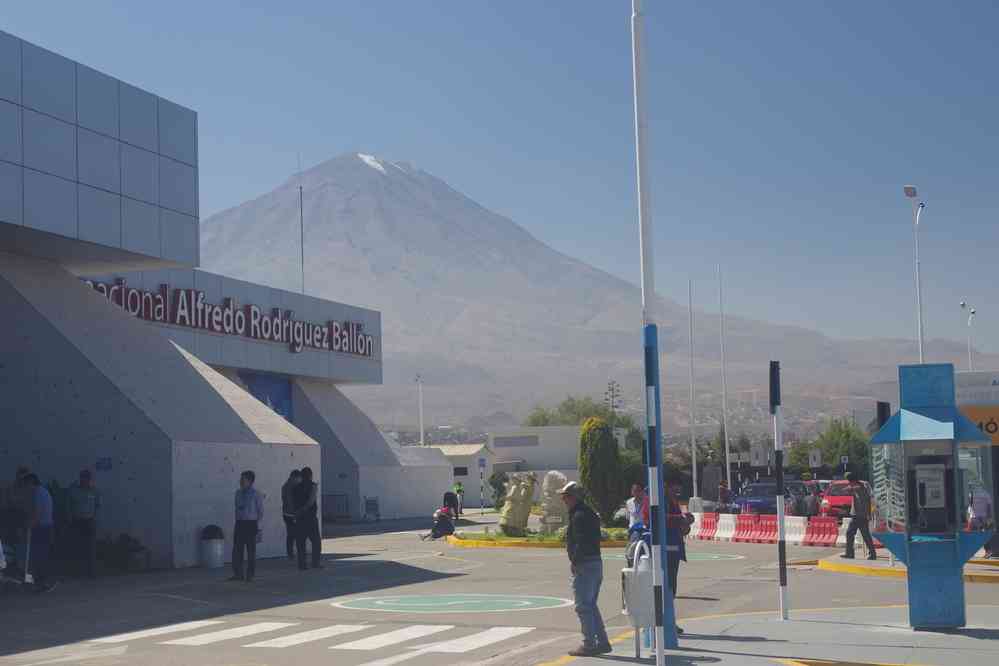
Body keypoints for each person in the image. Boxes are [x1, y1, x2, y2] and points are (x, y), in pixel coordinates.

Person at [560, 481, 611, 657]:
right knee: (591, 605)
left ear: (574, 497)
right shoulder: (588, 513)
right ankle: (602, 642)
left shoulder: (579, 515)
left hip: (585, 564)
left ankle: (589, 644)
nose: (563, 500)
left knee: (583, 607)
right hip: (595, 562)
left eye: (565, 497)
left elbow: (581, 542)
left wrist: (575, 561)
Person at [230, 470, 264, 582]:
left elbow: (260, 512)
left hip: (251, 524)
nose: (240, 482)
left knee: (251, 551)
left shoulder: (256, 494)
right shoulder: (238, 493)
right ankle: (238, 574)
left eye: (243, 479)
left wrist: (258, 528)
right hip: (240, 523)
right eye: (240, 479)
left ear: (250, 481)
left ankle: (250, 575)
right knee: (237, 550)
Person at [68, 469, 101, 577]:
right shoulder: (74, 490)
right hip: (77, 521)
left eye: (88, 478)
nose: (86, 480)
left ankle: (91, 572)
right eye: (84, 478)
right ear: (81, 478)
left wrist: (93, 517)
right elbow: (70, 504)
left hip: (90, 521)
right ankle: (78, 572)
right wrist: (71, 517)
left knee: (90, 548)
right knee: (78, 547)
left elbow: (97, 506)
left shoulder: (94, 491)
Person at [25, 474, 55, 592]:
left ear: (32, 482)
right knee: (42, 556)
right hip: (47, 527)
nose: (27, 487)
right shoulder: (44, 492)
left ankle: (40, 583)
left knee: (38, 557)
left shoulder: (38, 494)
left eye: (27, 484)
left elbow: (37, 514)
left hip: (41, 529)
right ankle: (41, 582)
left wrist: (29, 526)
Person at [294, 467, 322, 570]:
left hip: (300, 518)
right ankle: (315, 563)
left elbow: (293, 503)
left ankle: (302, 564)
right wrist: (304, 509)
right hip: (310, 517)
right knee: (316, 542)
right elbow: (311, 502)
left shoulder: (296, 488)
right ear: (310, 475)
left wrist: (297, 513)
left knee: (300, 543)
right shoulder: (313, 486)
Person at [844, 473, 876, 560]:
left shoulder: (860, 487)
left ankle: (850, 553)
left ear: (853, 481)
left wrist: (868, 514)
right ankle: (872, 553)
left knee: (852, 533)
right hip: (860, 515)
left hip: (859, 515)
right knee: (863, 535)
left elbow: (849, 489)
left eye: (849, 481)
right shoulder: (861, 486)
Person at [281, 470, 301, 561]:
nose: (299, 480)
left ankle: (291, 554)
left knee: (291, 534)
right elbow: (290, 501)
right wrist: (295, 513)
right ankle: (291, 554)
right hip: (291, 514)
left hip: (287, 513)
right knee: (294, 534)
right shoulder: (289, 487)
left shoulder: (286, 486)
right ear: (294, 477)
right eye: (298, 478)